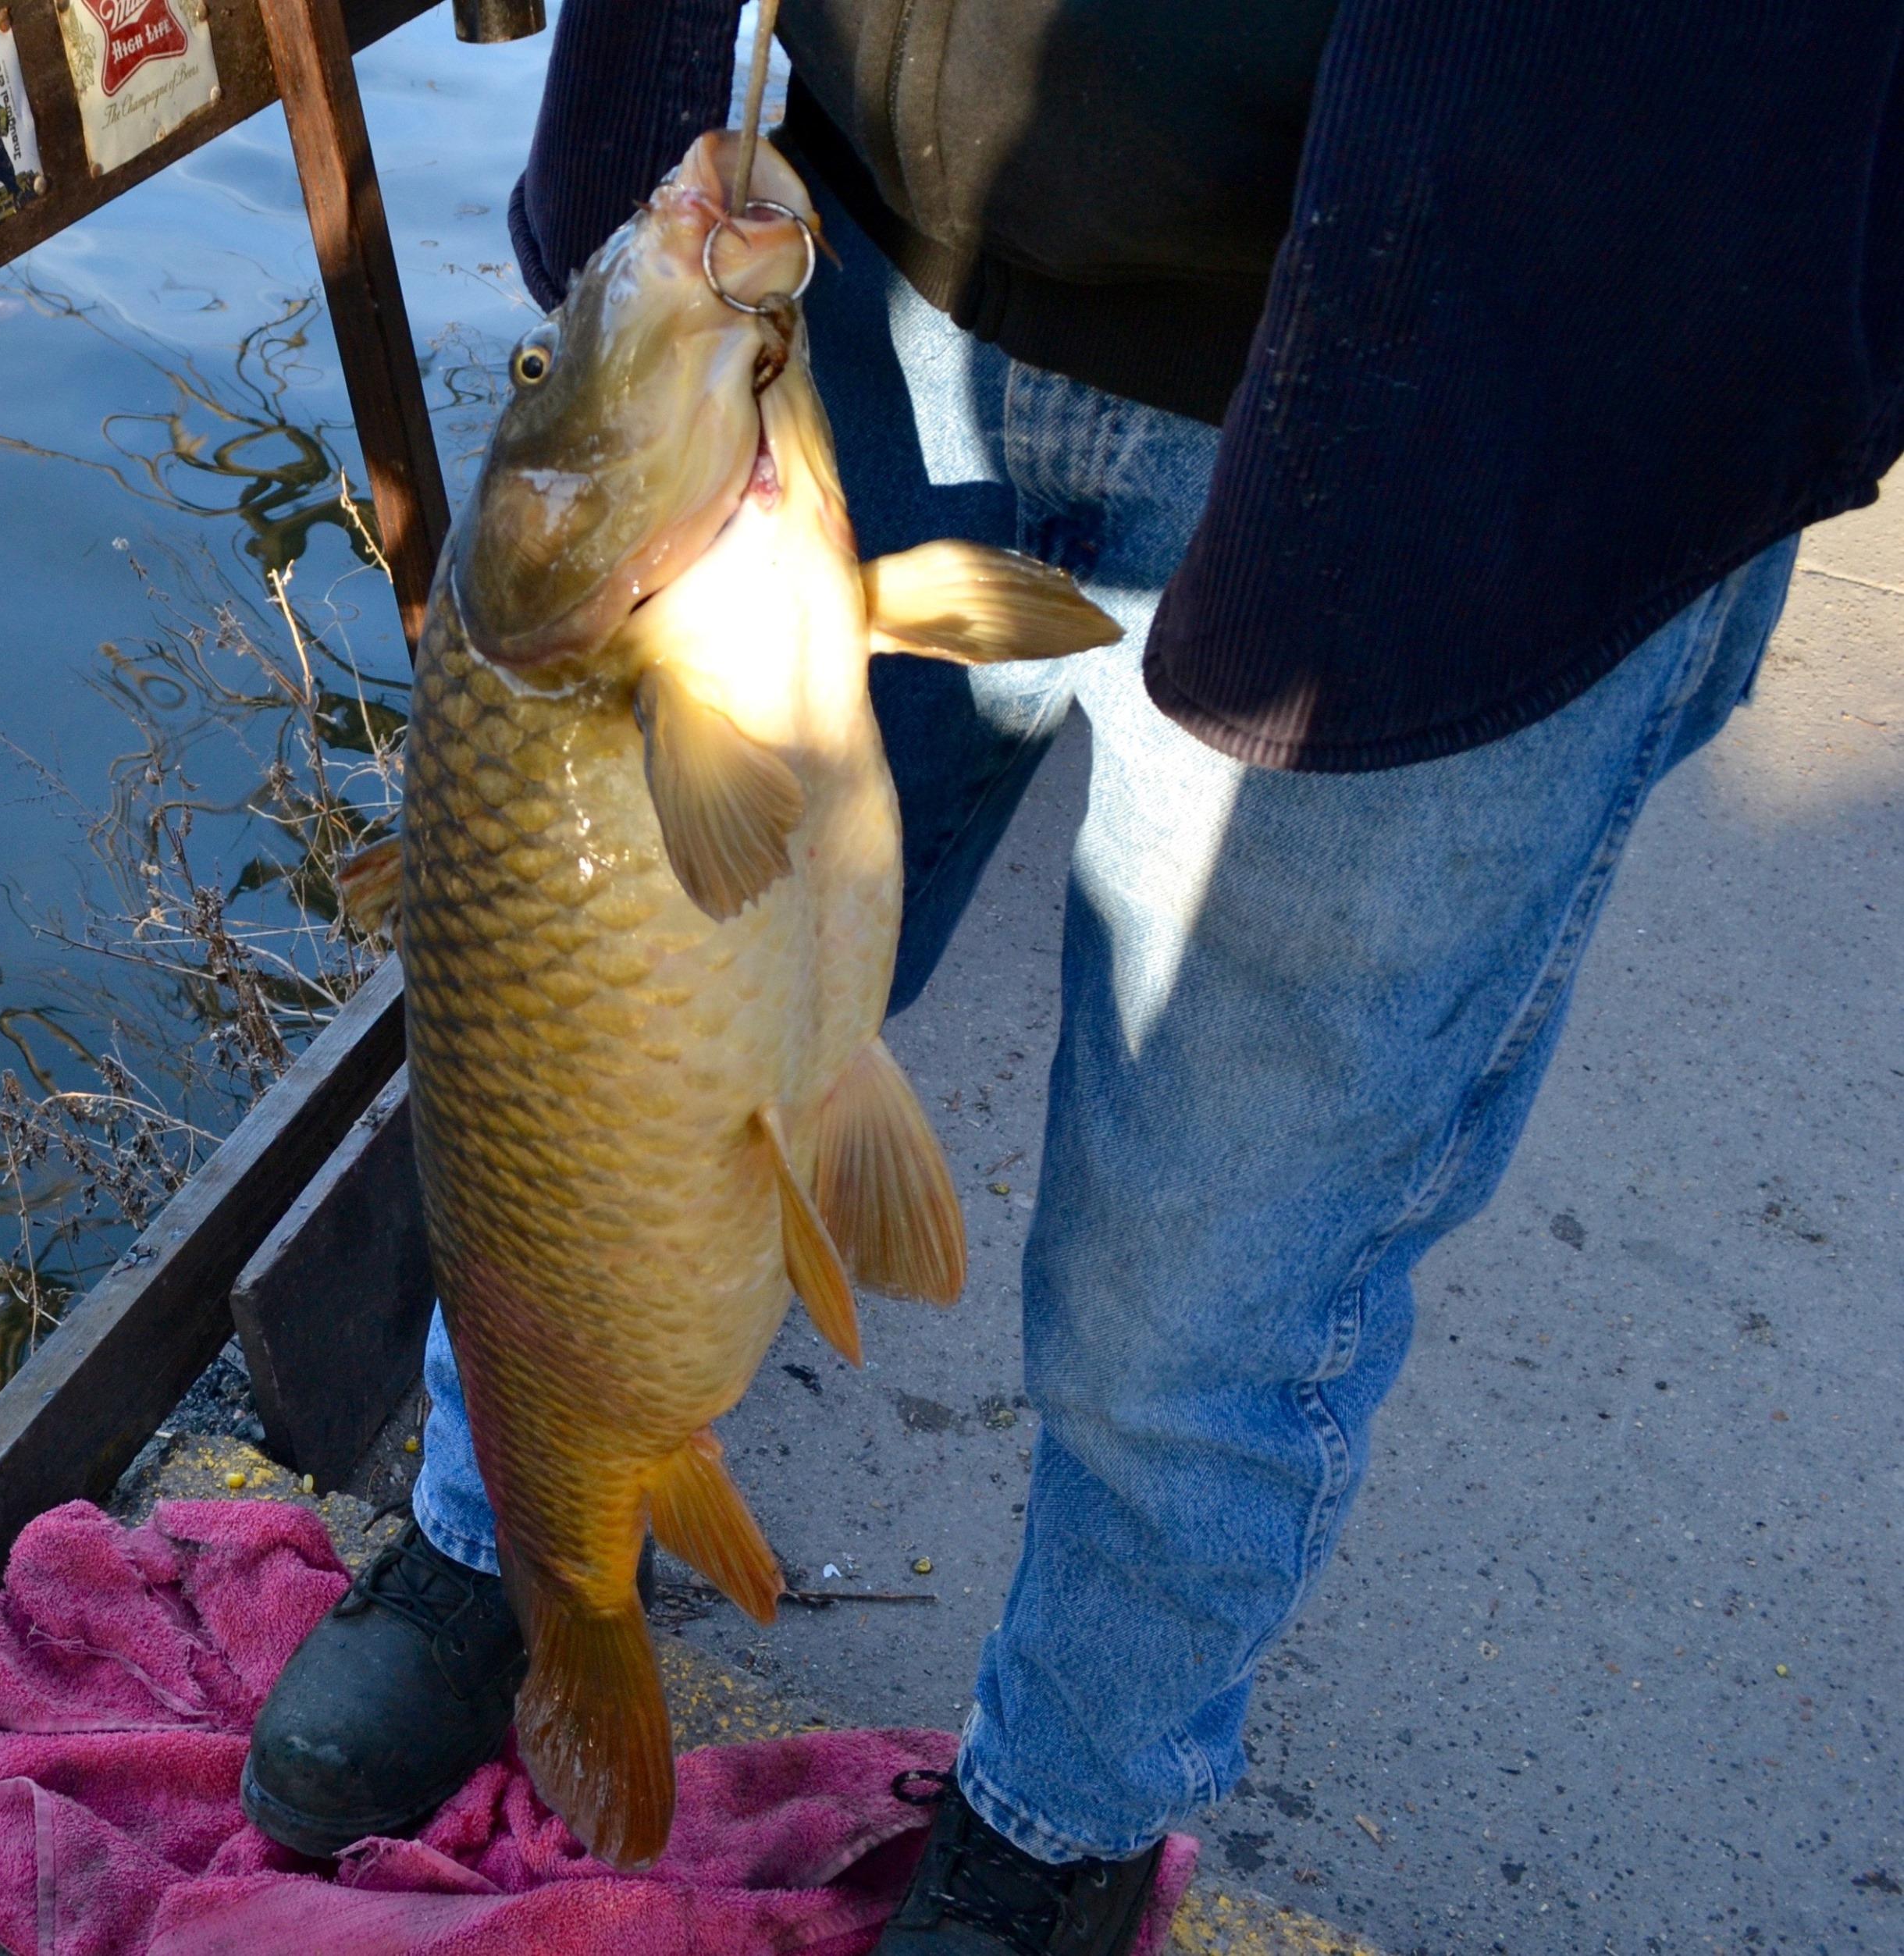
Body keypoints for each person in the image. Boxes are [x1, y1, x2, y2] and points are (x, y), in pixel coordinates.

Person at [244, 4, 1904, 1950]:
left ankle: (1063, 1811)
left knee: (1207, 1284)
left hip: (1516, 351)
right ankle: (508, 1529)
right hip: (853, 250)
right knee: (564, 1056)